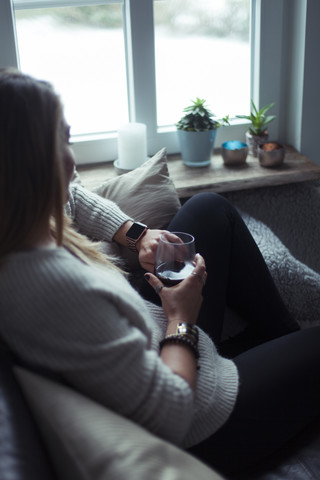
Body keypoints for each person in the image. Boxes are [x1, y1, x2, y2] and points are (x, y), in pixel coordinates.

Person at [0, 68, 320, 477]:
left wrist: (138, 235)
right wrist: (181, 318)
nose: (73, 158)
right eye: (63, 139)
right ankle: (287, 367)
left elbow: (73, 197)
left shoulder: (22, 216)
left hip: (158, 341)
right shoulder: (52, 287)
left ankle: (283, 350)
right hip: (201, 424)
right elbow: (169, 415)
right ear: (32, 165)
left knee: (208, 208)